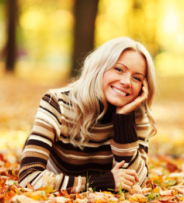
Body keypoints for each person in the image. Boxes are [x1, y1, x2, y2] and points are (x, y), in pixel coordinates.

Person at [18, 37, 157, 193]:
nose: (126, 82)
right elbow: (29, 179)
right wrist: (99, 183)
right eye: (119, 69)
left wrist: (124, 121)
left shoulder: (137, 116)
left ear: (143, 87)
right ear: (100, 67)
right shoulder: (57, 103)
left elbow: (137, 184)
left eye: (136, 78)